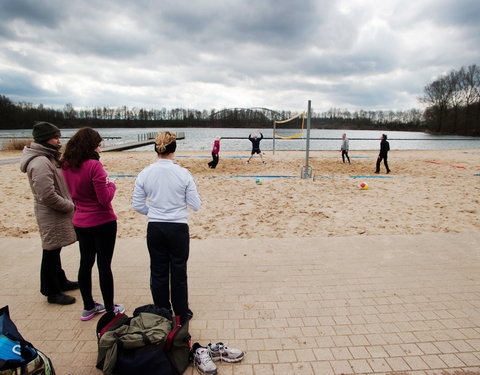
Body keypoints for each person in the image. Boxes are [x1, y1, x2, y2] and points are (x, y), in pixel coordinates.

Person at [132, 131, 201, 321]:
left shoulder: (145, 173)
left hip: (155, 227)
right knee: (179, 272)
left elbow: (137, 205)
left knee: (158, 271)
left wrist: (154, 212)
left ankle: (163, 311)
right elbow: (195, 205)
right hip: (178, 227)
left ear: (156, 149)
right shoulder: (183, 173)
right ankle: (181, 312)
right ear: (174, 149)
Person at [61, 127, 124, 321]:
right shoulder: (94, 166)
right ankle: (110, 310)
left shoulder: (67, 165)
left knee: (85, 263)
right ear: (92, 146)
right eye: (99, 145)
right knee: (104, 266)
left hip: (80, 220)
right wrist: (111, 184)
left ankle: (88, 306)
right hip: (102, 221)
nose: (100, 148)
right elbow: (104, 199)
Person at [20, 122, 78, 305]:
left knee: (55, 248)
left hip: (55, 213)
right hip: (50, 213)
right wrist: (69, 205)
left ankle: (60, 281)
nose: (58, 140)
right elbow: (46, 195)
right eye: (55, 137)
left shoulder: (48, 157)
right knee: (50, 250)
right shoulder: (40, 162)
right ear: (45, 139)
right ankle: (51, 291)